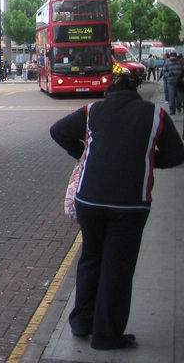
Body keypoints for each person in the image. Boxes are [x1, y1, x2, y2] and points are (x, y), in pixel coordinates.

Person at [49, 65, 184, 350]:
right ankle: (107, 335)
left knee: (91, 259)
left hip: (89, 201)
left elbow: (58, 131)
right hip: (130, 203)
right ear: (135, 93)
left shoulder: (93, 111)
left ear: (110, 94)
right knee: (118, 267)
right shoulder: (155, 114)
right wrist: (145, 159)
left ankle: (81, 321)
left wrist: (82, 153)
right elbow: (176, 154)